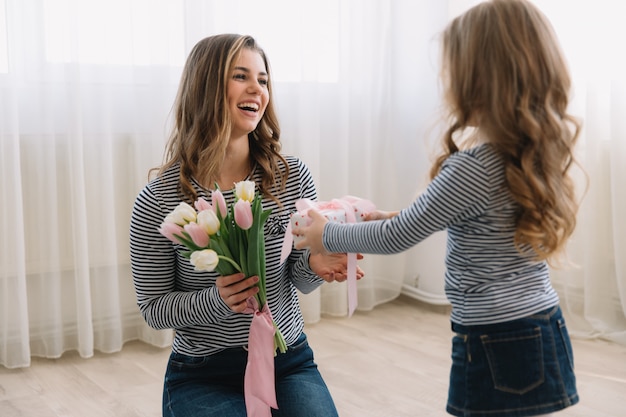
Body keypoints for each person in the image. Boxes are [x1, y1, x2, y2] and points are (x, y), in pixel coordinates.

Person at [292, 1, 582, 416]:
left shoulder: (473, 166)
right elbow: (477, 222)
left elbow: (398, 238)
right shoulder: (530, 155)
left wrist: (326, 235)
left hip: (493, 338)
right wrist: (394, 215)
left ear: (476, 80)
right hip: (542, 324)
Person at [130, 34, 359, 417]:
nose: (258, 89)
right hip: (203, 374)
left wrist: (316, 265)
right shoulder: (158, 200)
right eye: (241, 76)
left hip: (286, 360)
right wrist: (218, 300)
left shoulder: (292, 177)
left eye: (264, 80)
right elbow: (154, 309)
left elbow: (299, 279)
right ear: (206, 88)